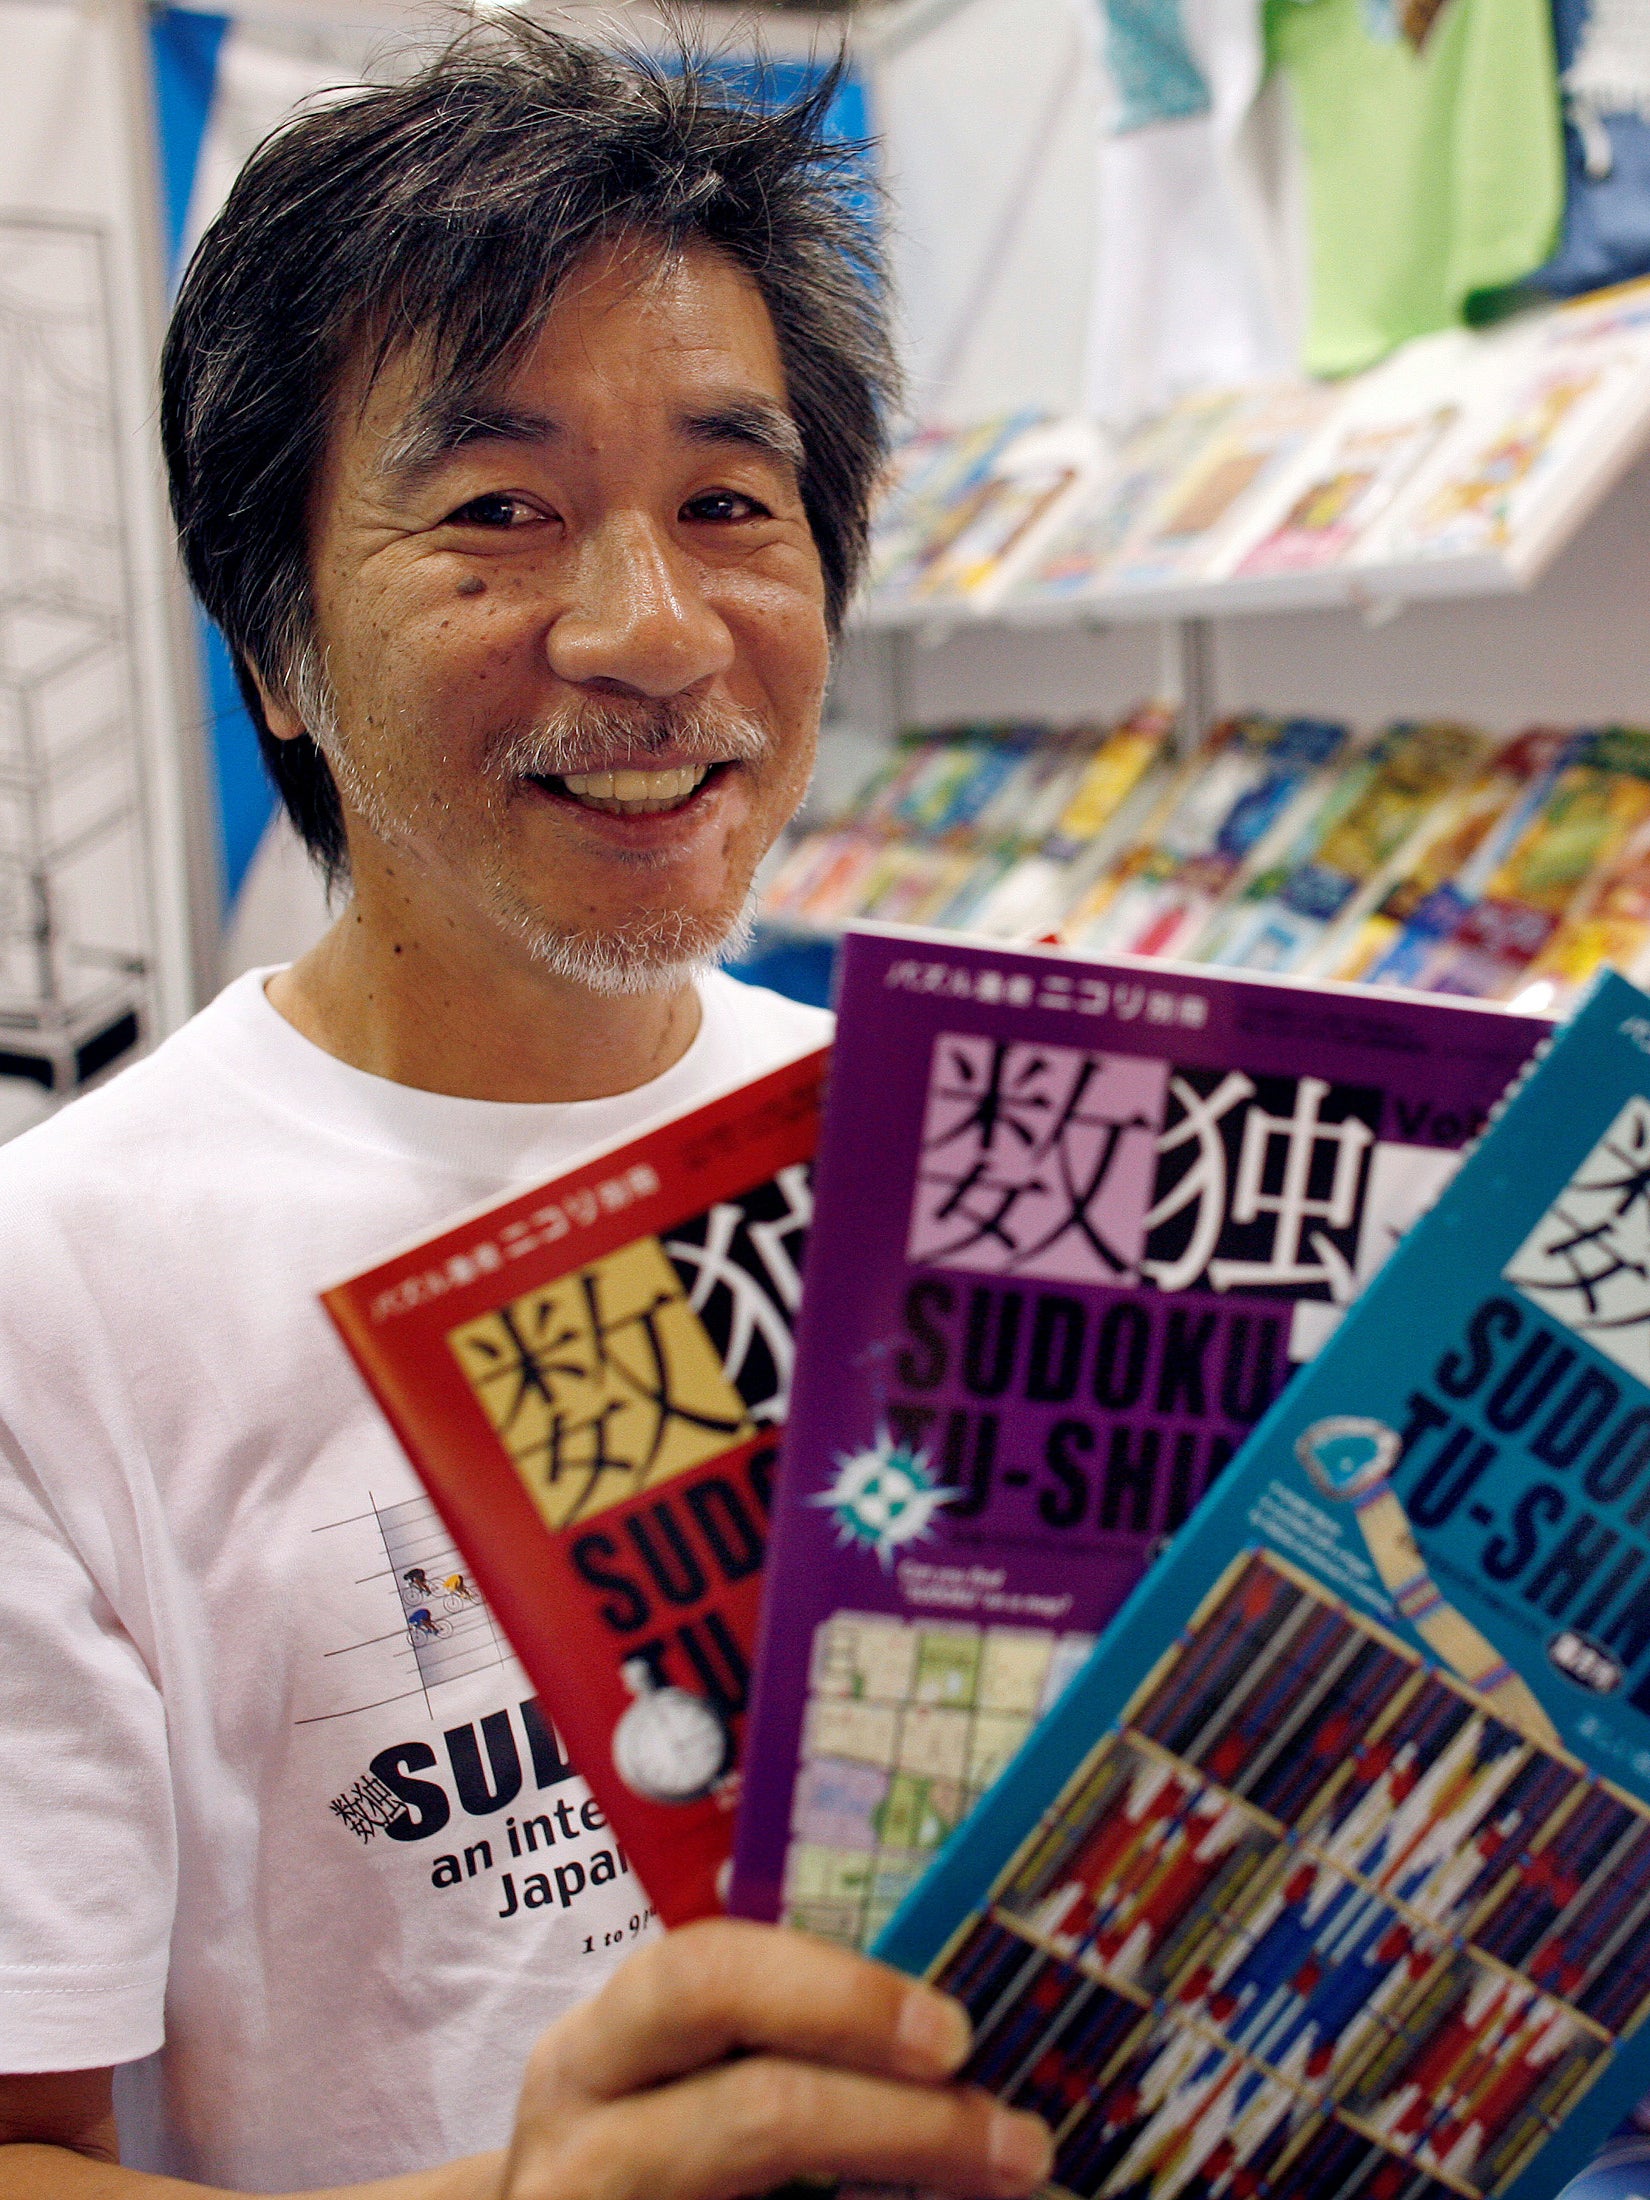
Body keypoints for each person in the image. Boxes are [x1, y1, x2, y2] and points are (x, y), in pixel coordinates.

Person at [0, 25, 1055, 2200]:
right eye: (500, 509)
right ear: (275, 645)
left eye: (730, 506)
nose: (653, 630)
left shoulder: (941, 1154)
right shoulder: (54, 1298)